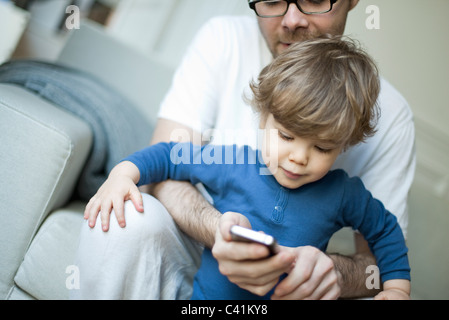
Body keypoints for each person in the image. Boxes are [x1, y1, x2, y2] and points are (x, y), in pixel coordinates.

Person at [74, 0, 415, 300]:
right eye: (286, 136)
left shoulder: (344, 192)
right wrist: (124, 173)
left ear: (346, 144)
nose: (298, 156)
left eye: (323, 146)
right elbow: (169, 155)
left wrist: (395, 288)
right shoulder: (236, 160)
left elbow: (385, 232)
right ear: (262, 120)